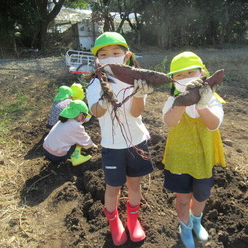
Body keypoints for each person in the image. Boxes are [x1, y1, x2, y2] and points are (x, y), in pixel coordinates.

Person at [86, 32, 154, 246]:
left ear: (126, 56)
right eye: (104, 54)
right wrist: (105, 102)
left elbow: (135, 113)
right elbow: (96, 112)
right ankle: (114, 222)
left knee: (135, 185)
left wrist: (140, 95)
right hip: (112, 147)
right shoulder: (95, 86)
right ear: (97, 59)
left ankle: (133, 220)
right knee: (113, 188)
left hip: (136, 142)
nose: (110, 57)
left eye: (116, 53)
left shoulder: (136, 82)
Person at [162, 52, 226, 248]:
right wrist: (182, 102)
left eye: (191, 72)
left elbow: (213, 124)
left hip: (203, 158)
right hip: (180, 158)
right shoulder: (172, 101)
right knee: (182, 199)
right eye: (179, 75)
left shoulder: (212, 99)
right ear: (173, 81)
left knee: (201, 196)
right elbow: (169, 121)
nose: (186, 78)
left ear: (202, 73)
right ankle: (185, 226)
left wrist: (201, 105)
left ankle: (196, 220)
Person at [43, 100, 97, 166]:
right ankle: (76, 158)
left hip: (45, 150)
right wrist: (92, 145)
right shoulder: (76, 126)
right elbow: (86, 142)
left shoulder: (62, 120)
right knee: (78, 141)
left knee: (71, 138)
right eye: (84, 116)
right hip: (57, 156)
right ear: (80, 115)